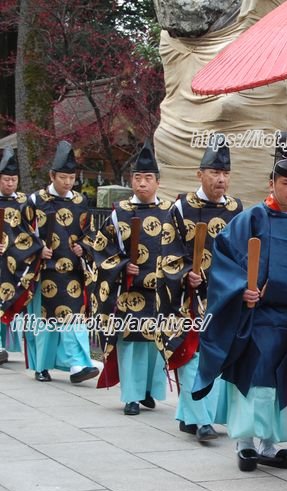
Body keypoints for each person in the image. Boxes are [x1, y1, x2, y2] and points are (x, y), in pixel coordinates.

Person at [193, 157, 287, 472]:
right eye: (286, 184)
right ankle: (244, 443)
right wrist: (242, 289)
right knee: (254, 378)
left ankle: (269, 443)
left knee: (281, 382)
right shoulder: (252, 218)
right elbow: (225, 259)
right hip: (255, 317)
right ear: (272, 183)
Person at [158, 137, 243, 441]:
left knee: (217, 353)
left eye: (225, 174)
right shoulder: (181, 208)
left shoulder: (236, 209)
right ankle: (201, 419)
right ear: (200, 174)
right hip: (189, 297)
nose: (221, 180)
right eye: (214, 173)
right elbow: (167, 248)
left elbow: (240, 253)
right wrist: (183, 275)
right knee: (192, 353)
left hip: (222, 295)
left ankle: (190, 415)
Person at [93, 141, 171, 415]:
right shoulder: (119, 214)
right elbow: (101, 248)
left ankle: (149, 391)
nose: (142, 183)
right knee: (133, 344)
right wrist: (123, 265)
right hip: (130, 293)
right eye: (138, 177)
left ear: (158, 182)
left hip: (160, 292)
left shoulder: (170, 212)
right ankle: (131, 396)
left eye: (148, 178)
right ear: (131, 180)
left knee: (154, 345)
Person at [23, 141, 98, 384]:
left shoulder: (80, 201)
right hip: (46, 269)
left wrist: (83, 247)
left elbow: (90, 232)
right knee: (47, 320)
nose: (68, 183)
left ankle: (79, 364)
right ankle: (41, 366)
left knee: (75, 317)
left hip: (73, 268)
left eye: (72, 178)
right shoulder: (35, 201)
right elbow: (19, 232)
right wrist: (37, 249)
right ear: (52, 175)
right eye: (63, 177)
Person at [0, 148, 27, 364]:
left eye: (13, 179)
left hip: (17, 259)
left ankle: (8, 342)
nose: (10, 184)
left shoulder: (25, 202)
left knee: (12, 298)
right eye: (6, 179)